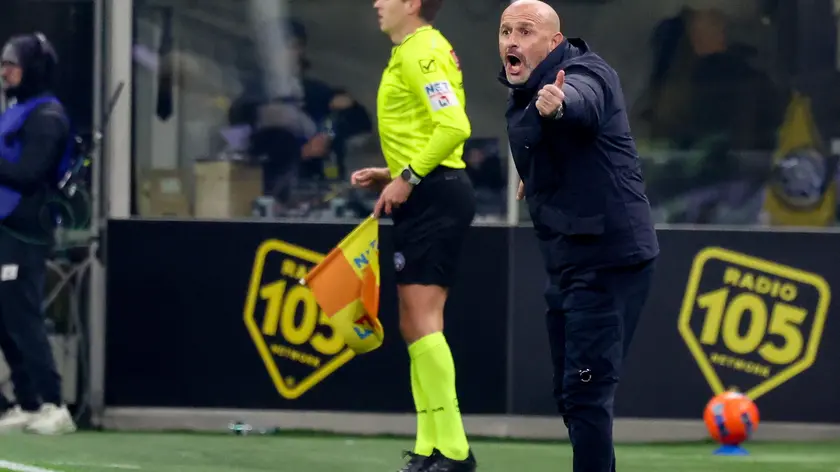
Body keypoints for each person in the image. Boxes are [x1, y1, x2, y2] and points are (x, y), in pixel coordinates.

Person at [498, 1, 658, 471]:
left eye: (525, 31)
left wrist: (559, 106)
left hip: (608, 259)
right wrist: (536, 175)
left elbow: (581, 103)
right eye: (505, 31)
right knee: (572, 393)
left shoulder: (587, 73)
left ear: (554, 42)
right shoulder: (523, 89)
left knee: (586, 392)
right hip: (568, 259)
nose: (511, 40)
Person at [350, 0, 476, 470]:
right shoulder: (412, 49)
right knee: (412, 324)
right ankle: (428, 449)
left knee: (423, 320)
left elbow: (454, 126)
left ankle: (455, 451)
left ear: (413, 3)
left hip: (435, 195)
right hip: (427, 191)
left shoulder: (422, 51)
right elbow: (429, 131)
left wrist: (409, 176)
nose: (377, 2)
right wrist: (394, 173)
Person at [0, 32, 76, 435]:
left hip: (26, 231)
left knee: (23, 315)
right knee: (4, 316)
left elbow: (29, 172)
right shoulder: (18, 110)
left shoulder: (47, 116)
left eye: (12, 64)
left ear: (32, 69)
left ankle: (54, 403)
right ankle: (28, 402)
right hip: (6, 226)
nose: (5, 72)